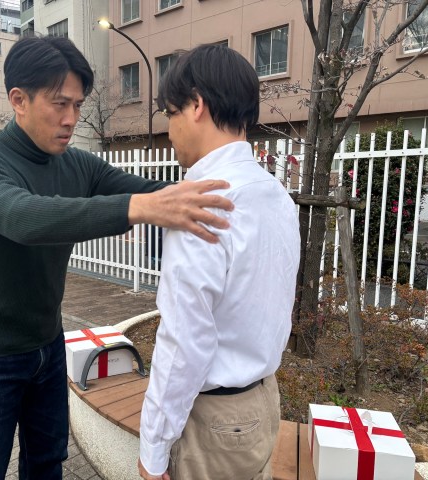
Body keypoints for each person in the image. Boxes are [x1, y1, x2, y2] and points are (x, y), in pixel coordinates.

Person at [0, 35, 234, 480]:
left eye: (78, 105)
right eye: (59, 104)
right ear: (18, 100)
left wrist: (240, 194)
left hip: (47, 346)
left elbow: (156, 193)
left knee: (47, 463)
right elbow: (24, 218)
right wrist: (139, 208)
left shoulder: (78, 165)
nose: (71, 119)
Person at [138, 45, 301, 480]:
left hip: (214, 421)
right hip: (263, 402)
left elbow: (183, 343)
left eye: (170, 113)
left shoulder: (202, 203)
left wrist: (153, 449)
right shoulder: (276, 195)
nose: (169, 130)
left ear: (197, 105)